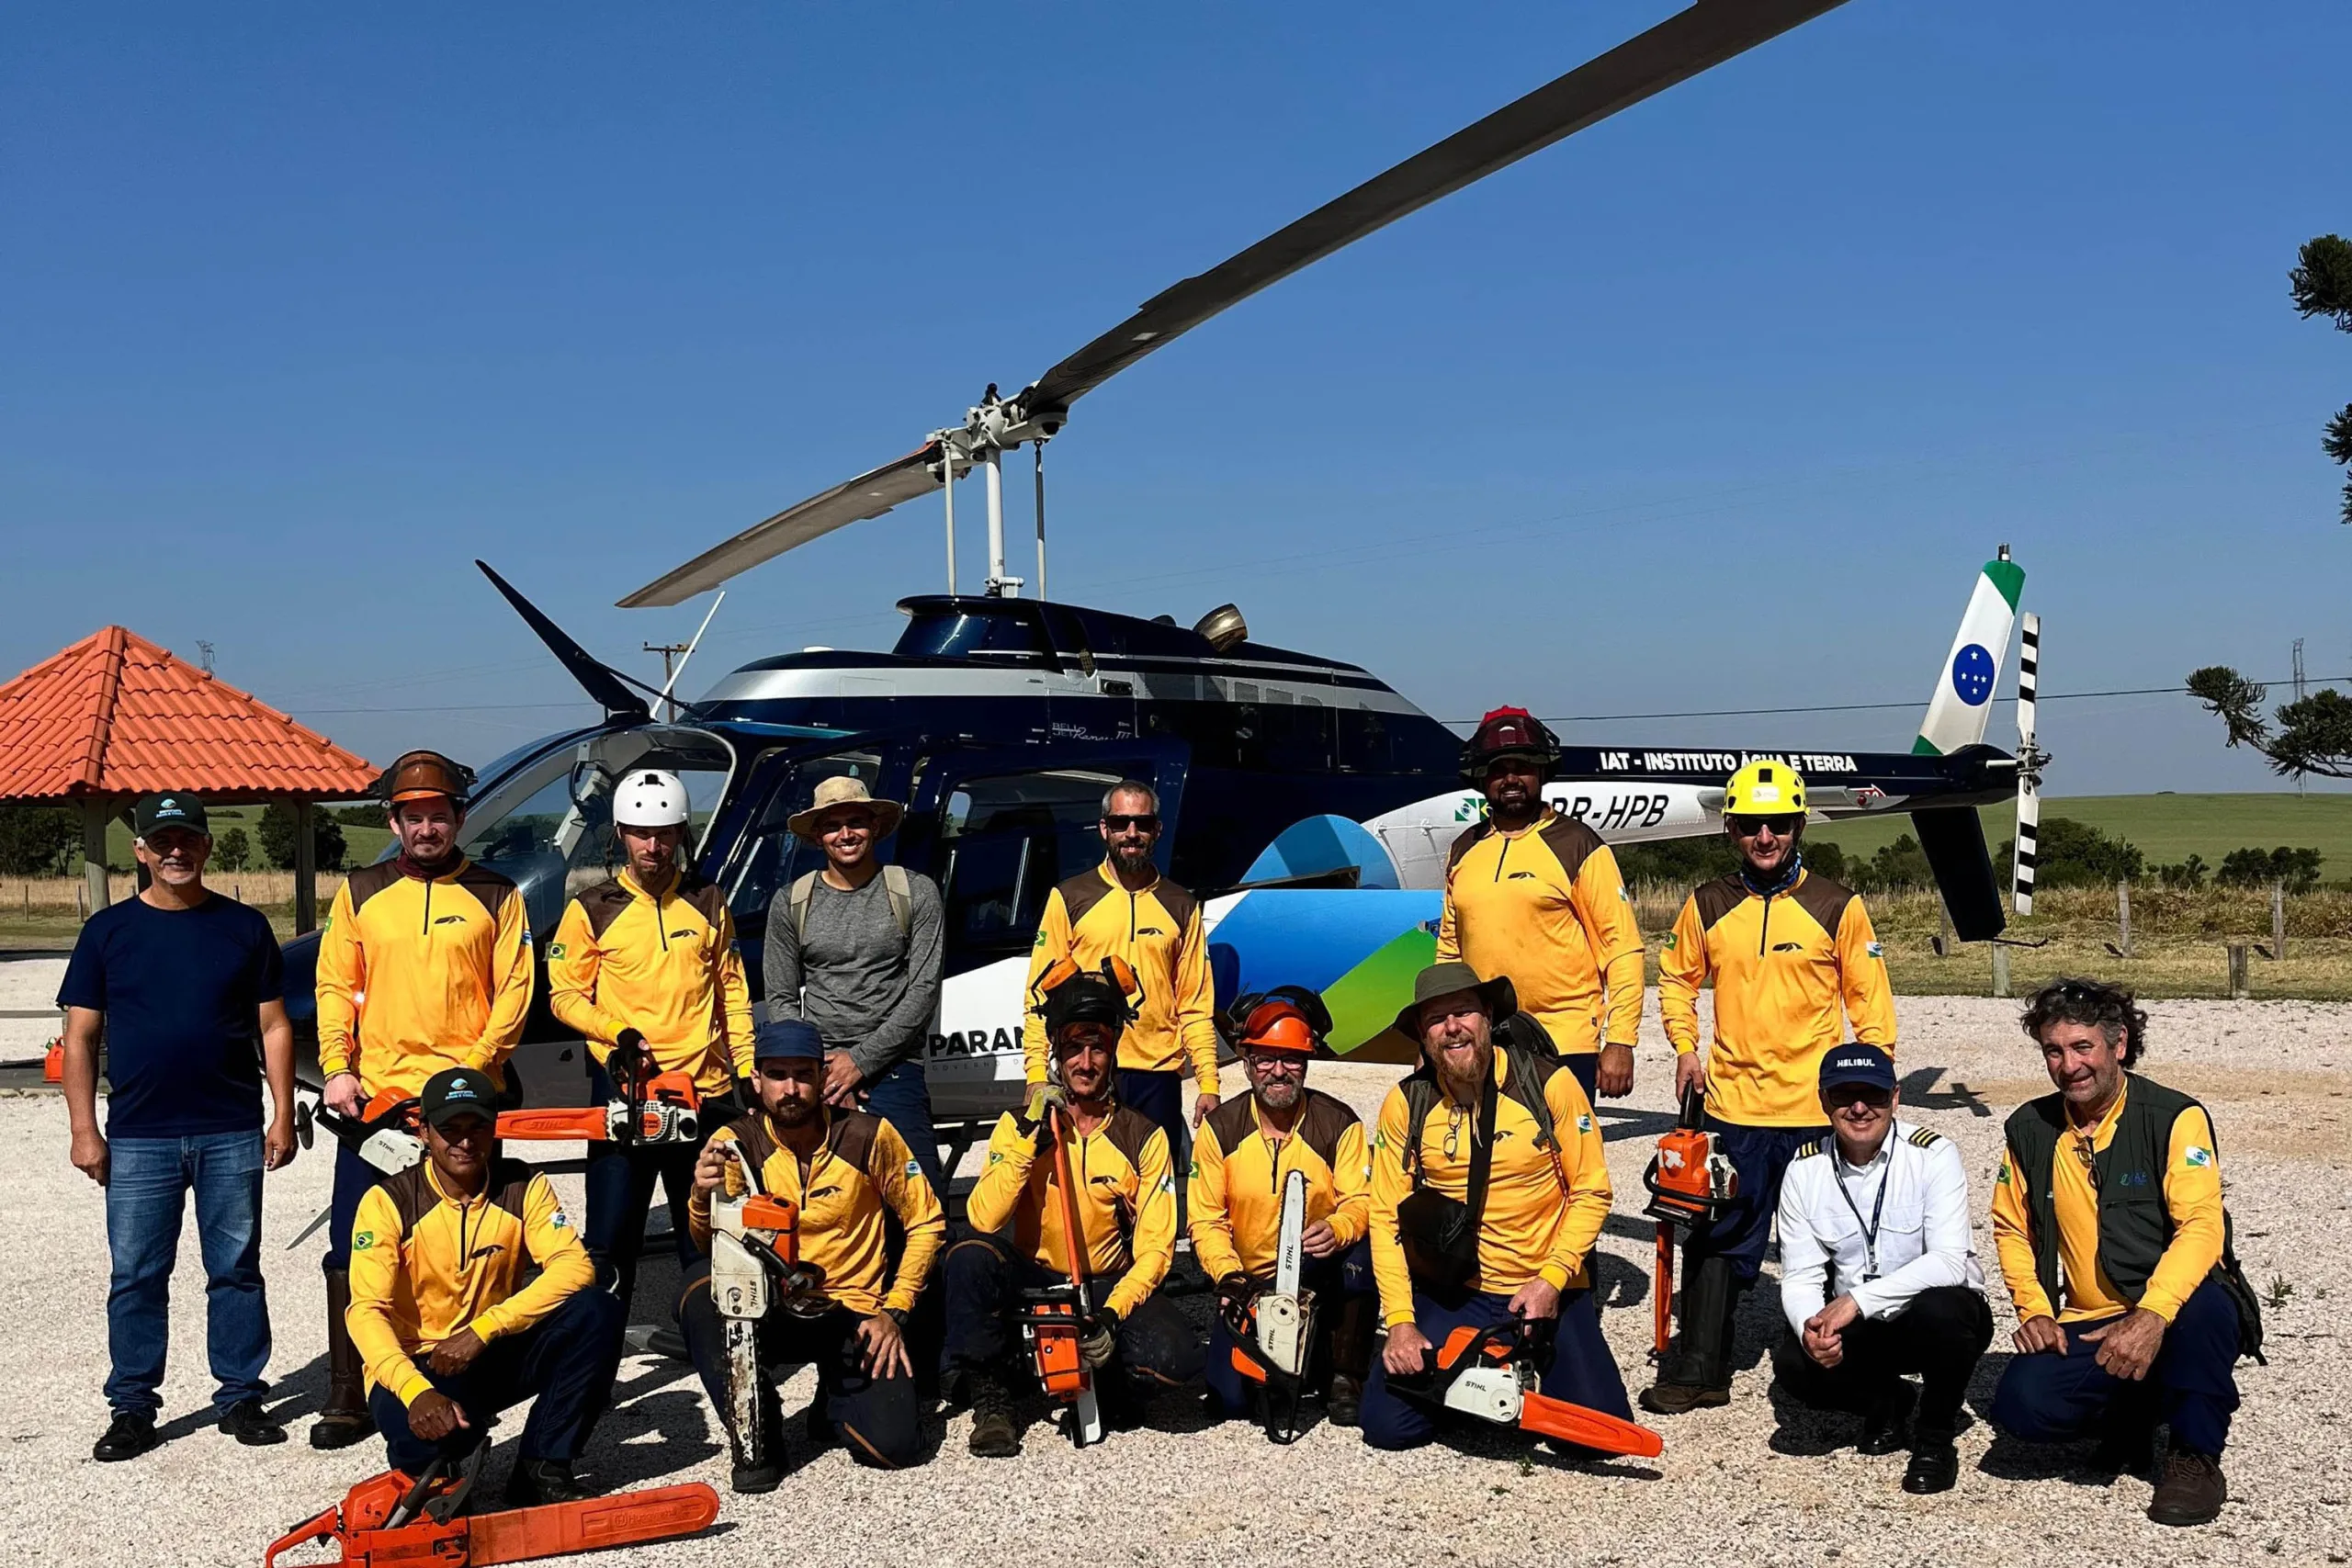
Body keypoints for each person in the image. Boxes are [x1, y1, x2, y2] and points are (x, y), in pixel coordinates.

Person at [1647, 761, 1894, 1416]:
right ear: (1730, 828)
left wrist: (1876, 1081)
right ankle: (1700, 1366)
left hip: (1817, 1112)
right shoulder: (1706, 902)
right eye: (1752, 824)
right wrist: (1685, 1046)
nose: (1765, 836)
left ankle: (1841, 1367)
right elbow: (1676, 977)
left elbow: (1870, 1002)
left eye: (1778, 823)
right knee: (1716, 1234)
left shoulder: (1837, 905)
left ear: (1797, 825)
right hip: (1733, 1105)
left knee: (1844, 1238)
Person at [58, 792, 298, 1461]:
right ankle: (132, 1405)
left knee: (236, 1269)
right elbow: (79, 1038)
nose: (175, 851)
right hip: (138, 1133)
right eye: (161, 841)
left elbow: (274, 1025)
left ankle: (241, 1394)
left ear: (206, 846)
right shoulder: (107, 933)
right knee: (135, 1274)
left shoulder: (245, 928)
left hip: (230, 1128)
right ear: (140, 851)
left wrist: (282, 1113)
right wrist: (84, 1128)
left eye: (187, 839)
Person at [311, 750, 535, 1450]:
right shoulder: (361, 888)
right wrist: (337, 1069)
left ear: (460, 817)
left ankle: (481, 1371)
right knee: (354, 1249)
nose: (428, 827)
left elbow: (515, 993)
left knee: (487, 1238)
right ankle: (351, 1390)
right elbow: (332, 985)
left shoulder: (499, 892)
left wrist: (465, 1074)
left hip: (468, 1099)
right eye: (415, 816)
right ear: (395, 820)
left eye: (440, 814)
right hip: (379, 1104)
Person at [1987, 978, 2262, 1528]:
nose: (2069, 1065)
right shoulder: (2029, 1127)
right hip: (2090, 1317)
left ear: (2118, 1045)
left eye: (2082, 1047)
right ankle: (2137, 1412)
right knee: (2021, 1406)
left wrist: (2153, 1314)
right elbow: (2010, 1228)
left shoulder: (2175, 1117)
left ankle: (2195, 1455)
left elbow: (2202, 1227)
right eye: (2054, 1051)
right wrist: (2035, 1309)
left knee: (2206, 1309)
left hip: (2176, 1306)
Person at [1360, 962, 1628, 1451]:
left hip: (1546, 1286)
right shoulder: (1407, 1102)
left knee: (1592, 1439)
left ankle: (1500, 1370)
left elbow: (1593, 1190)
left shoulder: (1549, 1085)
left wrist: (1552, 1280)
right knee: (1388, 1427)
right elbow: (1384, 1215)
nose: (1452, 1027)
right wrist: (1399, 1320)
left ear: (1487, 1016)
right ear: (1423, 1036)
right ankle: (1481, 1377)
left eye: (1463, 1012)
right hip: (1454, 1288)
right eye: (1436, 1020)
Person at [678, 1017, 945, 1489]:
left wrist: (895, 1311)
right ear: (757, 1080)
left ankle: (835, 1400)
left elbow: (927, 1221)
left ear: (822, 1077)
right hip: (774, 1306)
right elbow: (709, 1246)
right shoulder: (736, 1144)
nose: (791, 1089)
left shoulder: (868, 1135)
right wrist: (701, 1198)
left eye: (803, 1075)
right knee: (701, 1292)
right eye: (778, 1075)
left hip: (853, 1310)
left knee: (896, 1448)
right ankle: (758, 1431)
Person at [946, 964, 1202, 1456]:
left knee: (1176, 1361)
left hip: (1103, 1283)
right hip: (1033, 1277)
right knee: (968, 1257)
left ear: (1113, 1053)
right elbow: (982, 1219)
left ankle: (1106, 1376)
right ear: (1056, 1056)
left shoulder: (1143, 1136)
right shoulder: (1018, 1126)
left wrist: (1111, 1314)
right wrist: (1028, 1141)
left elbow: (1155, 1251)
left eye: (1098, 1048)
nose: (1085, 1063)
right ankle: (993, 1399)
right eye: (1073, 1049)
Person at [345, 1066, 623, 1505]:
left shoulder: (522, 1185)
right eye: (449, 1129)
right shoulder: (387, 1201)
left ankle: (542, 1467)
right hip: (416, 1367)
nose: (465, 1141)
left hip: (486, 1348)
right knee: (424, 1448)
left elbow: (575, 1266)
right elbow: (365, 1311)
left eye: (477, 1126)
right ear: (424, 1131)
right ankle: (444, 1469)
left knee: (596, 1311)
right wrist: (416, 1393)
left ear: (495, 1127)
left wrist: (483, 1330)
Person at [548, 767, 752, 1314]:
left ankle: (718, 1359)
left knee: (706, 1240)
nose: (653, 846)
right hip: (625, 1095)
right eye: (641, 832)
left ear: (683, 832)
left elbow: (732, 991)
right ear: (620, 833)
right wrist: (616, 1032)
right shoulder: (591, 907)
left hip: (703, 1096)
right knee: (611, 1246)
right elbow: (563, 996)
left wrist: (748, 1069)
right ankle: (596, 1368)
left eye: (665, 833)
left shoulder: (709, 901)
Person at [1770, 1043, 1991, 1495]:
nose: (1857, 1107)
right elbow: (1801, 1275)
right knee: (1795, 1362)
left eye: (1870, 1095)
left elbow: (1950, 1260)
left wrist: (1854, 1301)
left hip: (1929, 1316)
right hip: (1865, 1327)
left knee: (1946, 1311)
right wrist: (1814, 1328)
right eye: (1842, 1095)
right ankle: (1888, 1401)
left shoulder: (1933, 1154)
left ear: (1894, 1098)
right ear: (1823, 1101)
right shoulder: (1803, 1169)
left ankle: (1935, 1438)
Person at [1437, 706, 1645, 1103]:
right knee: (1488, 1157)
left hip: (1563, 1039)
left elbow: (1622, 949)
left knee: (1563, 1160)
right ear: (1480, 777)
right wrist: (1437, 1031)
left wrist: (1620, 1041)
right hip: (1482, 1040)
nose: (1511, 778)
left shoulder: (1578, 844)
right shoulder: (1463, 849)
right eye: (1498, 768)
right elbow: (1450, 951)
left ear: (1543, 772)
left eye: (1523, 766)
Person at [1020, 780, 1218, 1191]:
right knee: (1090, 1191)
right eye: (1121, 822)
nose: (1132, 833)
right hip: (1087, 1066)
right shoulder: (1069, 896)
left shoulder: (1181, 905)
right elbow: (1040, 998)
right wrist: (1037, 1074)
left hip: (1156, 1074)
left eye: (1142, 823)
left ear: (1157, 830)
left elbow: (1195, 1004)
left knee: (1156, 1197)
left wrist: (1209, 1083)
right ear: (1104, 829)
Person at [1192, 988, 1375, 1430]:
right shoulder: (1221, 1129)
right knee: (1229, 1401)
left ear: (1307, 1062)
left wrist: (1339, 1227)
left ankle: (1343, 1376)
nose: (1278, 1071)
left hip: (1316, 1273)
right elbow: (1205, 1219)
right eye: (1266, 1059)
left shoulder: (1338, 1123)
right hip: (1247, 1282)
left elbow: (1363, 1200)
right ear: (1249, 1062)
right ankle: (1282, 1364)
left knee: (1361, 1259)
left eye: (1291, 1058)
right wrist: (1228, 1276)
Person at [763, 774, 946, 1194]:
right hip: (819, 1076)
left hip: (896, 1070)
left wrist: (861, 1062)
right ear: (816, 837)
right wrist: (821, 1068)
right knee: (833, 1205)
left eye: (855, 822)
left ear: (875, 827)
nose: (845, 835)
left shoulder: (915, 892)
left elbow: (922, 994)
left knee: (921, 1202)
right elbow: (781, 996)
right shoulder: (791, 902)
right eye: (832, 825)